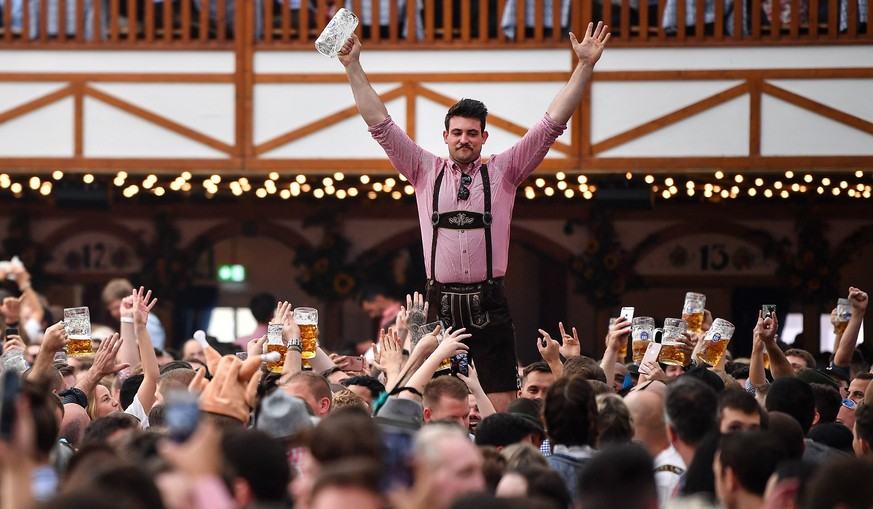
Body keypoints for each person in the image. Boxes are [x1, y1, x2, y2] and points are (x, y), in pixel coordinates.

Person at [338, 22, 611, 412]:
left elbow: (551, 125)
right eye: (457, 132)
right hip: (440, 304)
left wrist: (584, 66)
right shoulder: (421, 169)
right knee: (432, 404)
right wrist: (353, 66)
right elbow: (379, 123)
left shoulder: (505, 171)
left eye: (472, 133)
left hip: (489, 302)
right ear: (445, 136)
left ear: (484, 138)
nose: (463, 139)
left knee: (499, 406)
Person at [102, 278, 167, 349]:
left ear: (129, 299)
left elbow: (154, 353)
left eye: (116, 307)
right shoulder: (128, 321)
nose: (113, 314)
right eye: (110, 310)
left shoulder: (148, 321)